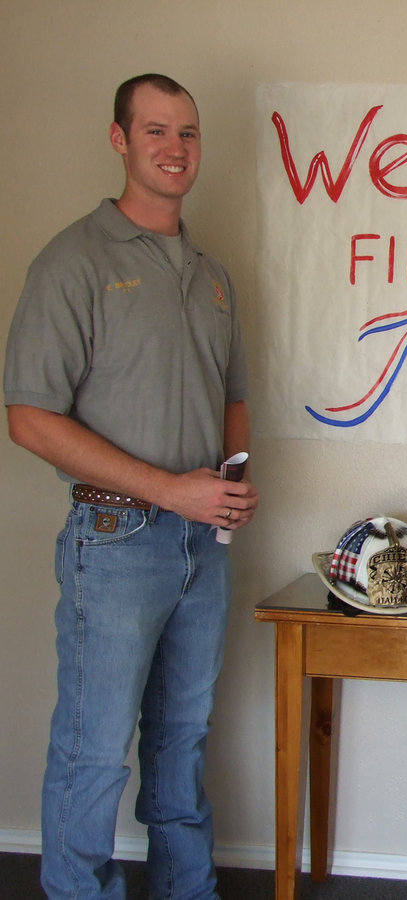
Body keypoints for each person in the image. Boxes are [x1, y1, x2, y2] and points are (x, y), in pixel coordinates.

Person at [4, 74, 258, 899]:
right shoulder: (71, 260)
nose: (174, 148)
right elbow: (30, 419)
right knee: (93, 747)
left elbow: (234, 397)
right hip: (113, 545)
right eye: (156, 132)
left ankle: (190, 890)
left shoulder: (213, 275)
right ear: (120, 140)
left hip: (200, 549)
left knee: (182, 738)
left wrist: (225, 491)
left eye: (187, 133)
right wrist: (169, 491)